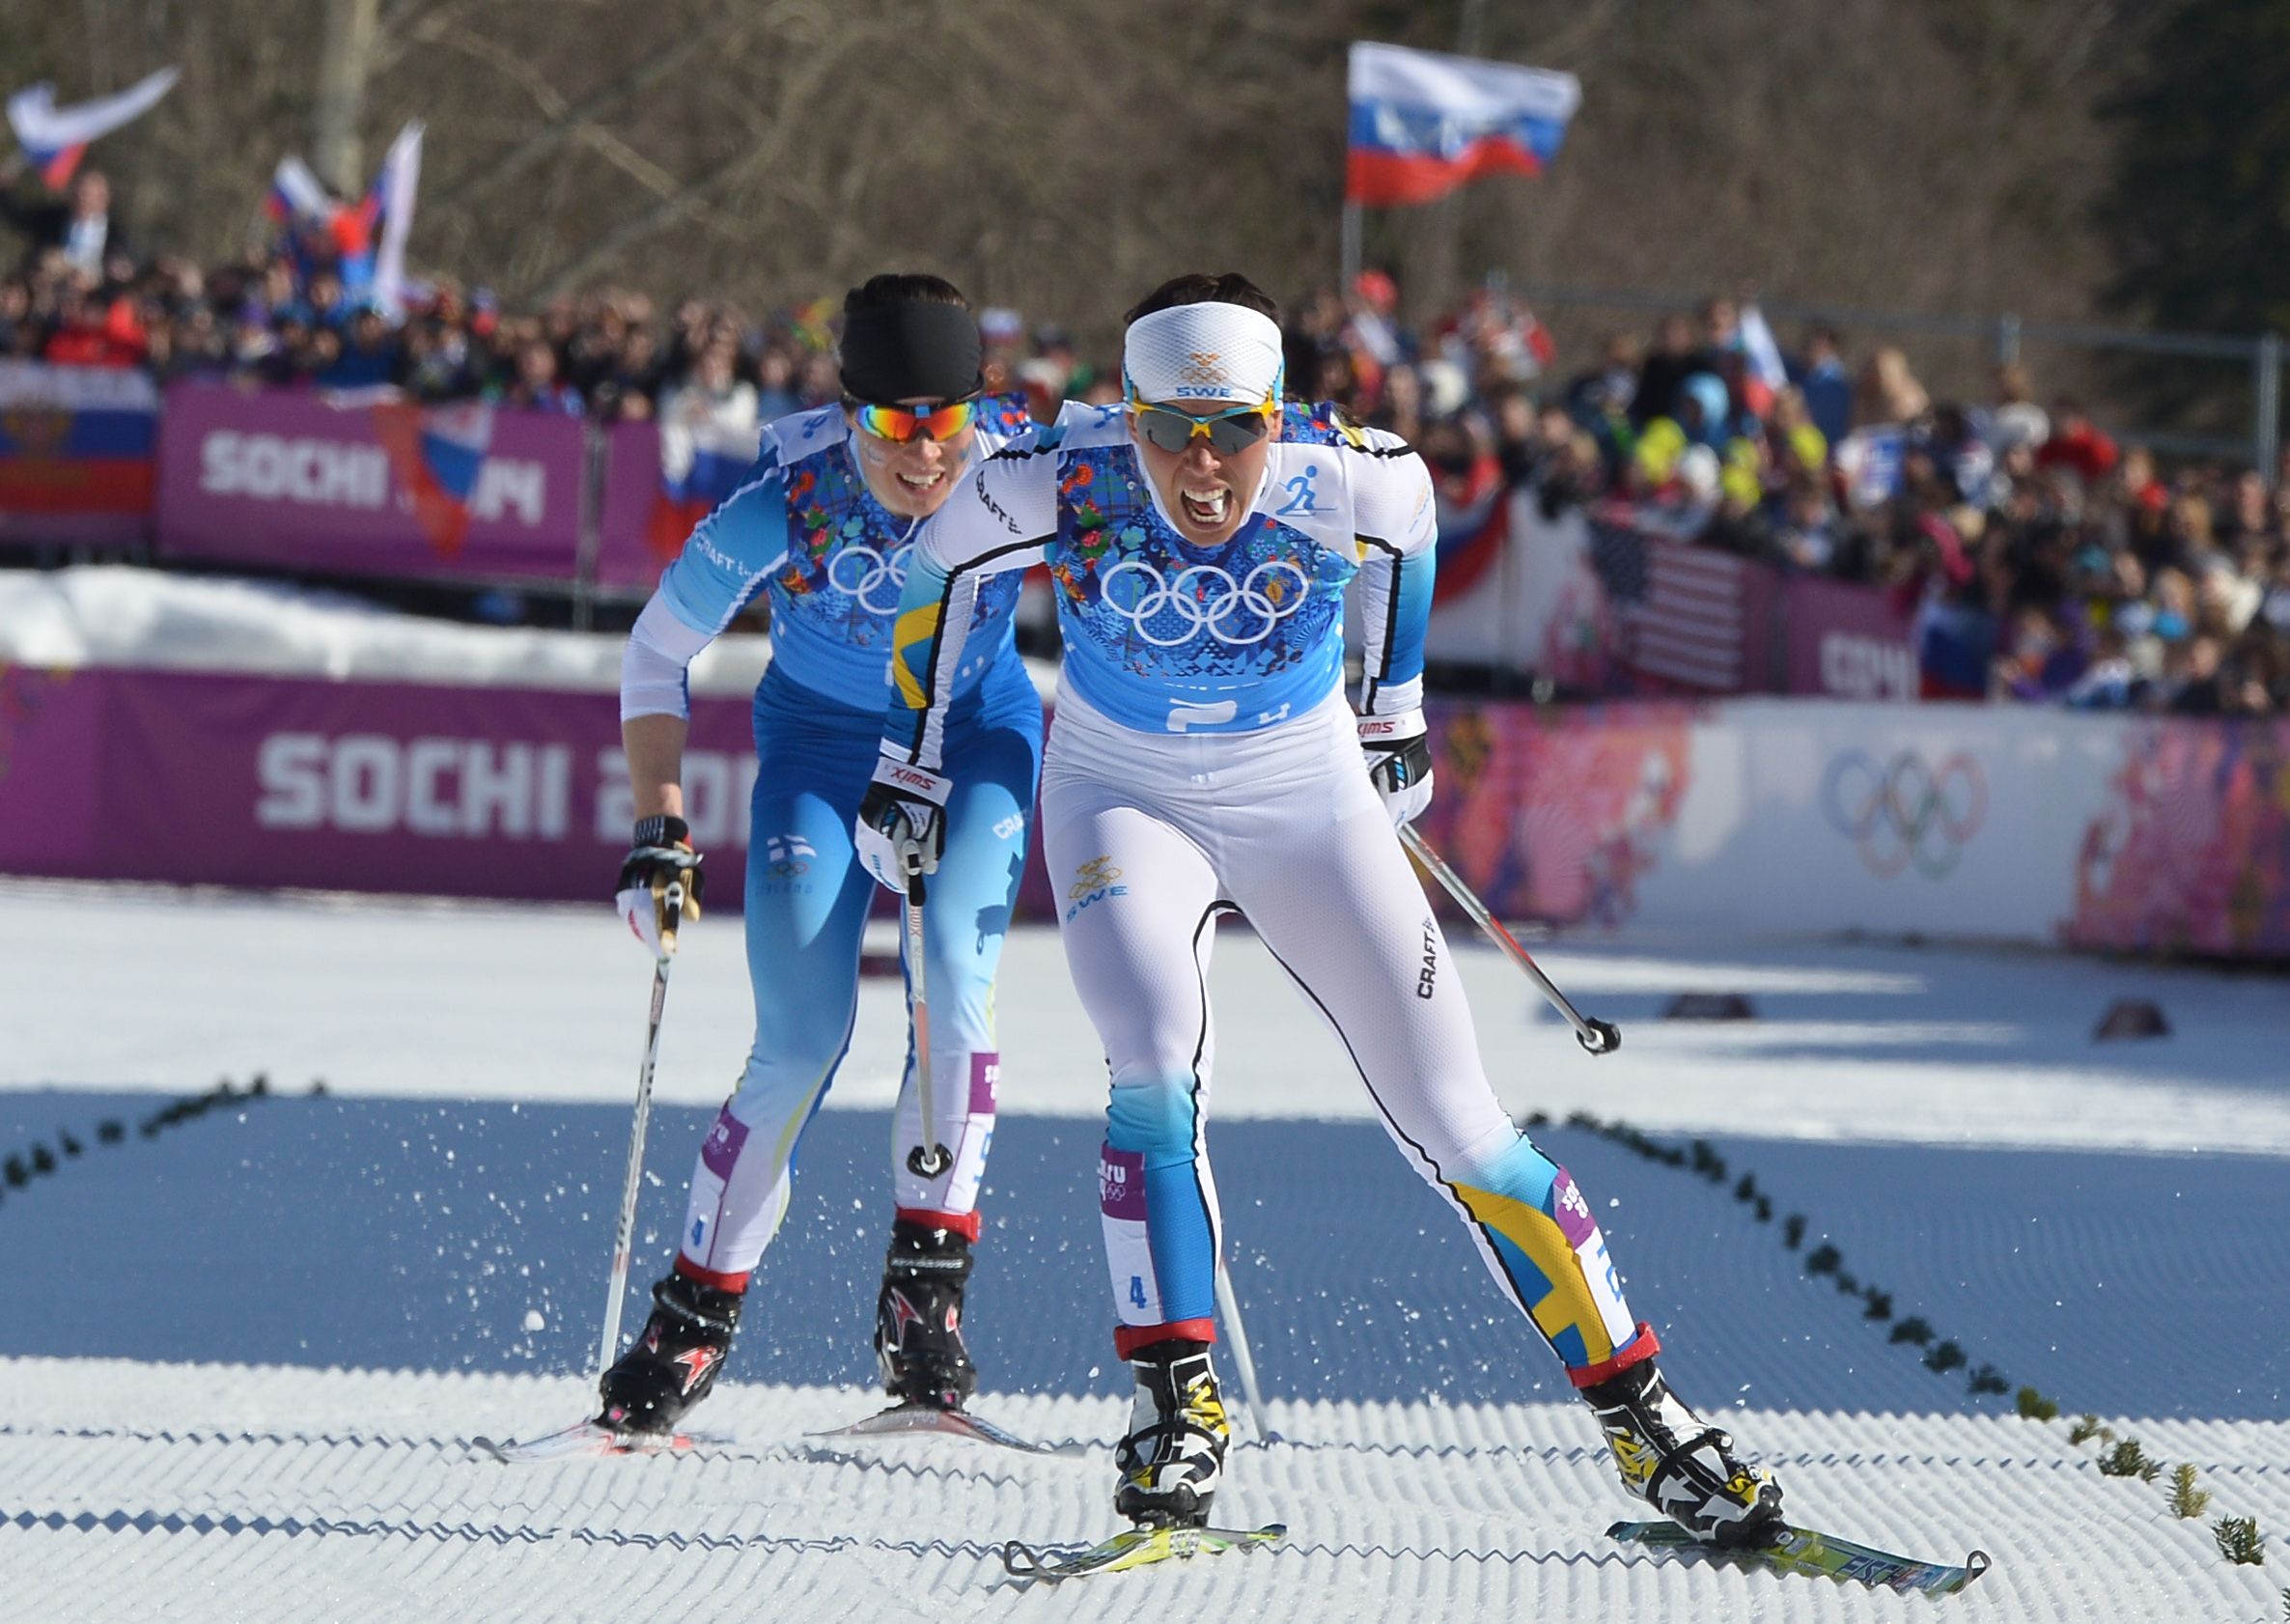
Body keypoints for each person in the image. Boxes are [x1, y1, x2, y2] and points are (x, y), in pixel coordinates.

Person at [853, 272, 1787, 1545]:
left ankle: (1645, 1415)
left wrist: (1392, 711)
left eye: (1232, 430)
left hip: (1303, 789)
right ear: (1125, 413)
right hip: (1123, 795)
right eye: (1168, 430)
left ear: (1276, 414)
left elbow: (1414, 528)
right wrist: (906, 762)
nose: (1201, 467)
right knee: (1150, 1060)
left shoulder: (1348, 473)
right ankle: (1176, 1405)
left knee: (1458, 1116)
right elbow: (935, 568)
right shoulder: (1055, 476)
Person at [601, 273, 1043, 1434]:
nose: (922, 452)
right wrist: (658, 823)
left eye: (944, 420)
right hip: (824, 752)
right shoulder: (787, 504)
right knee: (798, 1040)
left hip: (971, 736)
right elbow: (655, 653)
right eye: (892, 422)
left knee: (953, 989)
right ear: (850, 411)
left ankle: (924, 1305)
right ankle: (691, 1318)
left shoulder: (1023, 464)